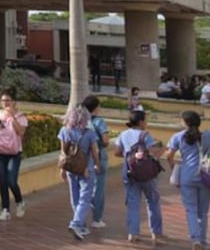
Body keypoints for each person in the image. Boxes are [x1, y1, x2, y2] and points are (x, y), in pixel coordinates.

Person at [166, 107, 210, 250]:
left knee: (191, 210)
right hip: (205, 176)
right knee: (203, 212)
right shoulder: (206, 135)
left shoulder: (177, 137)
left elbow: (169, 156)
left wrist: (174, 168)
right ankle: (203, 241)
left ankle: (195, 240)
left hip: (187, 176)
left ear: (185, 122)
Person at [113, 109, 164, 244]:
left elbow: (117, 152)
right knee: (152, 201)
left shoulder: (123, 134)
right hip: (147, 174)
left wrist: (129, 156)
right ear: (141, 122)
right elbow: (153, 153)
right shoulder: (145, 135)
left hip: (130, 173)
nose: (146, 123)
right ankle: (156, 232)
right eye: (145, 120)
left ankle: (133, 232)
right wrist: (162, 149)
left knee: (133, 203)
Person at [59, 104, 100, 240]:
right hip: (86, 169)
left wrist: (62, 169)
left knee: (75, 196)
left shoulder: (64, 131)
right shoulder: (89, 133)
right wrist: (97, 165)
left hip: (71, 168)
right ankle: (76, 223)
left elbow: (63, 153)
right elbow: (94, 152)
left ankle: (81, 226)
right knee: (85, 198)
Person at [0, 88, 29, 221]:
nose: (5, 103)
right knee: (2, 181)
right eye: (2, 101)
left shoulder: (21, 117)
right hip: (0, 151)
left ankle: (19, 201)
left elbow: (21, 132)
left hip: (14, 152)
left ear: (14, 102)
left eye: (7, 100)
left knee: (11, 181)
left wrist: (12, 117)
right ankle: (5, 209)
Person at [82, 95, 110, 229]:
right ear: (96, 107)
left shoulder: (81, 121)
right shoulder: (99, 122)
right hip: (99, 158)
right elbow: (105, 141)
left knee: (83, 188)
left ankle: (80, 218)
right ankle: (97, 219)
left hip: (84, 158)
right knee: (98, 189)